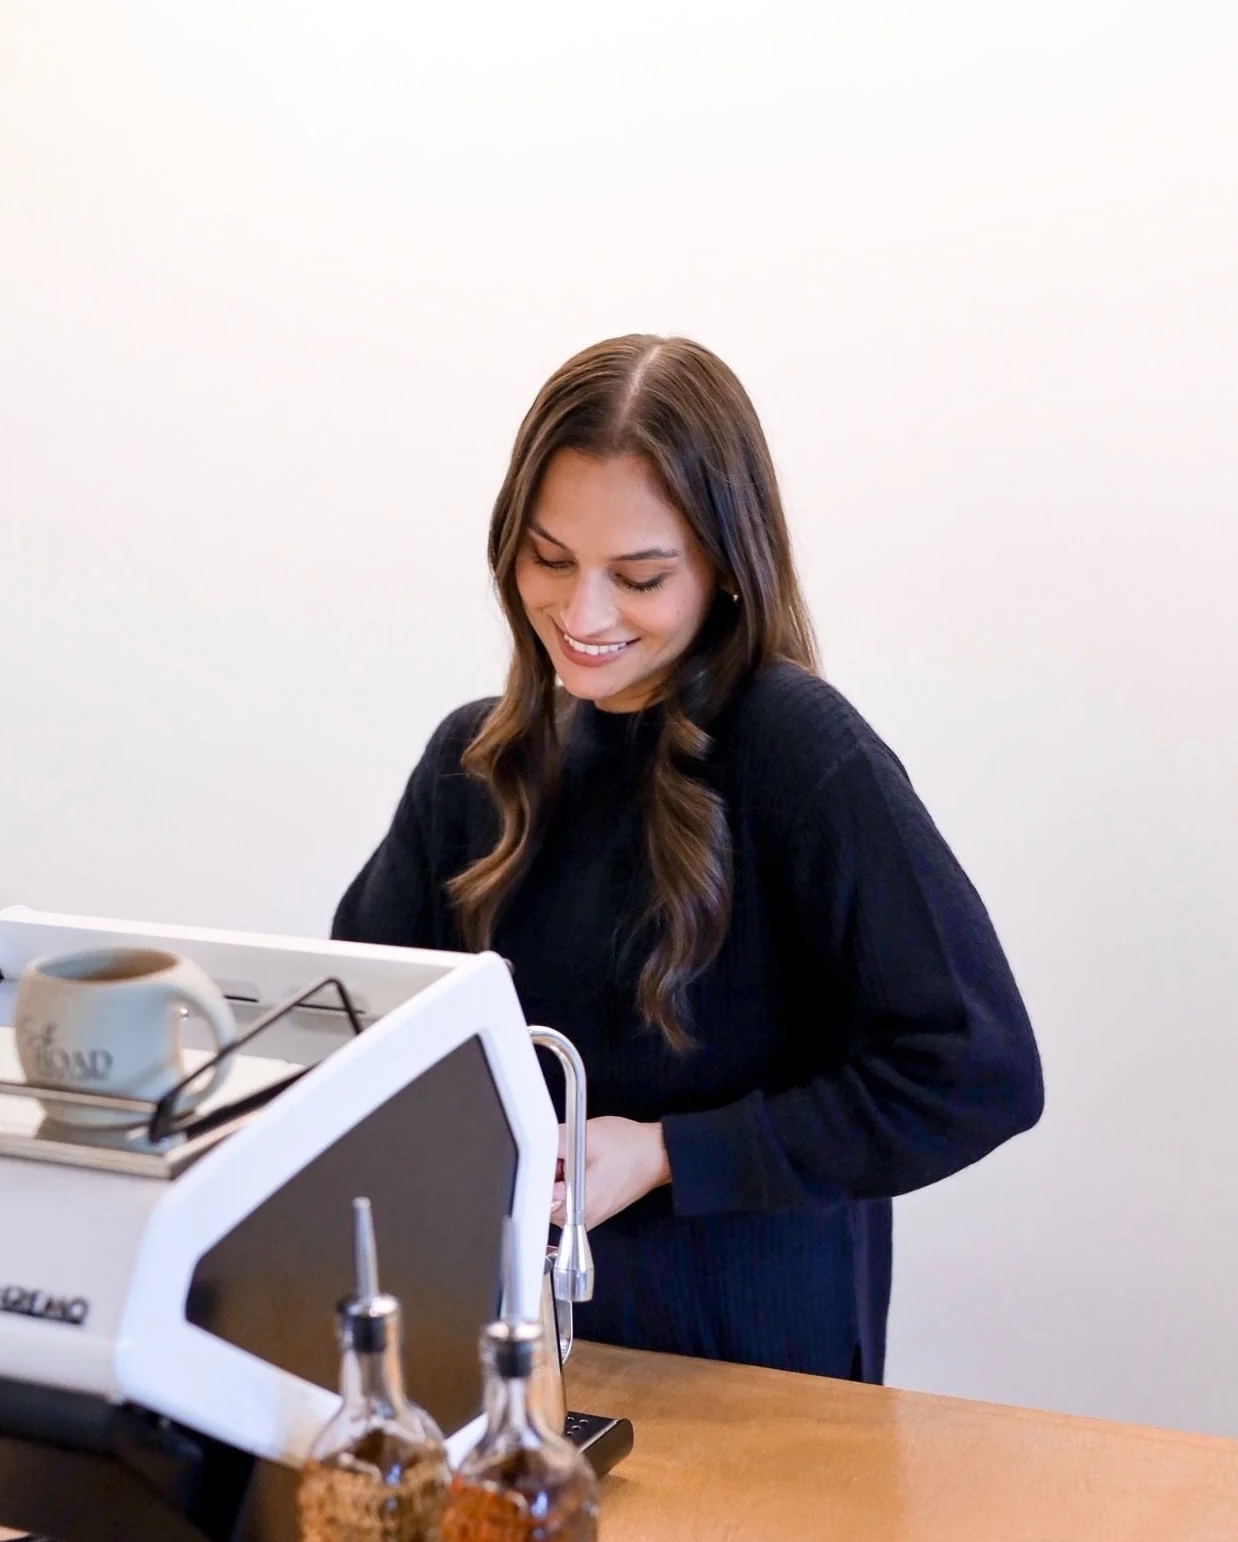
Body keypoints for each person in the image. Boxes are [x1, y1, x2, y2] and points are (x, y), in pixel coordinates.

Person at [333, 335, 1043, 1382]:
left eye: (640, 576)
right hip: (521, 1369)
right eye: (549, 558)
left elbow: (977, 1073)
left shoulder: (801, 752)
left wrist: (668, 1153)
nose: (582, 617)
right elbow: (349, 1038)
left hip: (757, 1380)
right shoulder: (470, 764)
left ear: (725, 564)